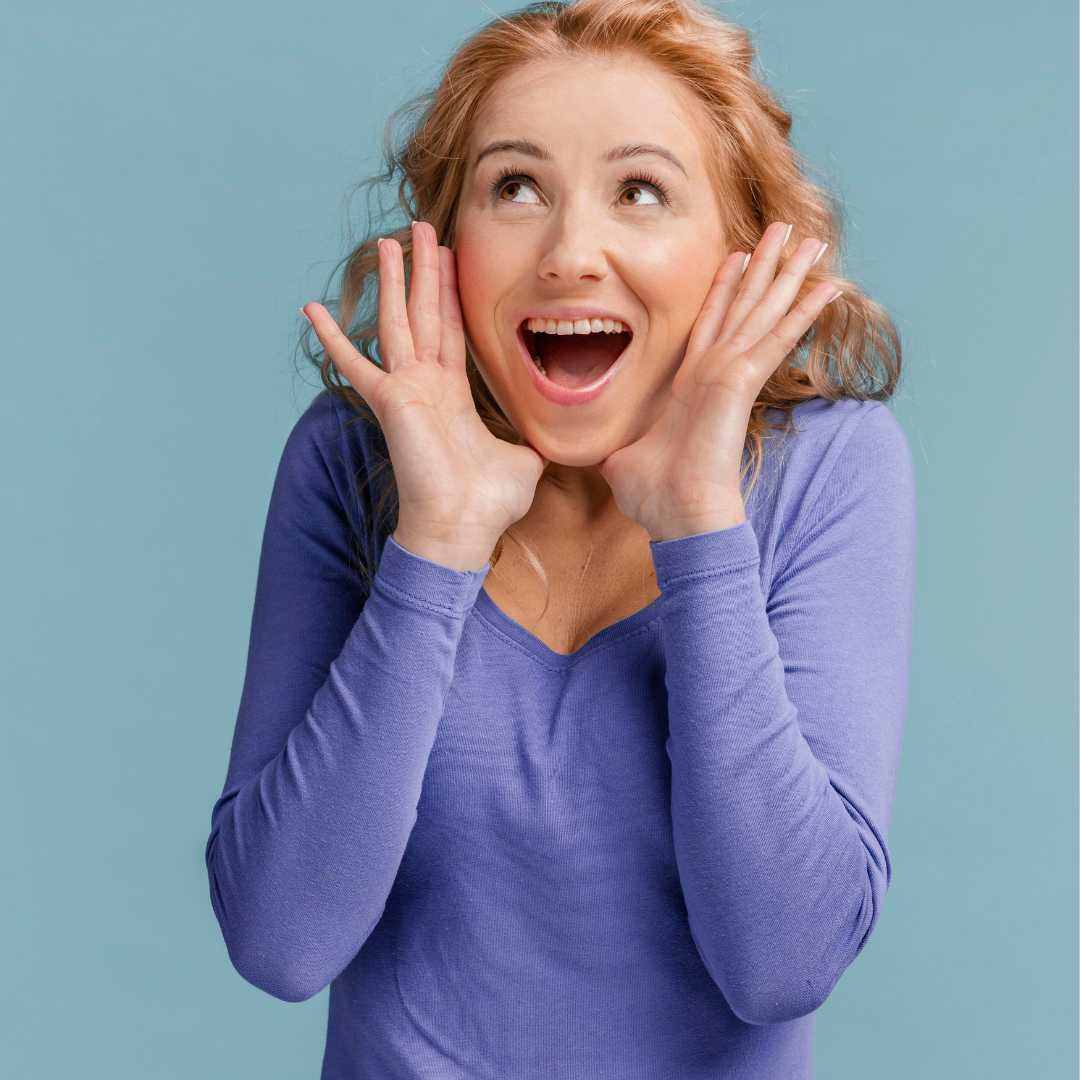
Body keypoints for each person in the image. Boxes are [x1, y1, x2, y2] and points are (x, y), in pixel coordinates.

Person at [204, 1, 916, 1076]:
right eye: (516, 188)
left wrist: (702, 533)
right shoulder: (354, 461)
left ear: (738, 252)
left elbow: (782, 961)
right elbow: (279, 941)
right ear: (447, 250)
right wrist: (436, 544)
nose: (570, 252)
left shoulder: (827, 468)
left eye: (641, 191)